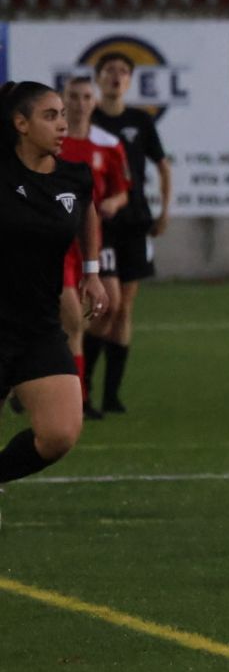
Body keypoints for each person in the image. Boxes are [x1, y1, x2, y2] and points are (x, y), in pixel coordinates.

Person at [0, 81, 110, 520]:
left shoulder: (74, 176)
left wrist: (92, 271)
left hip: (38, 326)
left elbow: (87, 212)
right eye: (50, 115)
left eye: (63, 114)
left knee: (61, 433)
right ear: (20, 124)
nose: (63, 124)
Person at [85, 50, 171, 414]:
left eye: (123, 71)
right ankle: (80, 386)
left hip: (135, 220)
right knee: (106, 304)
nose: (116, 77)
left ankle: (111, 394)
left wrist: (165, 209)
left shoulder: (139, 121)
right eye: (109, 71)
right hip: (102, 225)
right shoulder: (90, 120)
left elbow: (162, 165)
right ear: (98, 77)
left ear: (131, 80)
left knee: (124, 309)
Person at [58, 76, 130, 420]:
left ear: (94, 102)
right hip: (55, 242)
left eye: (86, 97)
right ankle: (79, 399)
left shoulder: (108, 144)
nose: (79, 103)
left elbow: (122, 189)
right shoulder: (50, 142)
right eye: (73, 96)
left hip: (94, 239)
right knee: (72, 320)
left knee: (108, 308)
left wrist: (114, 203)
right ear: (63, 99)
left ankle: (69, 382)